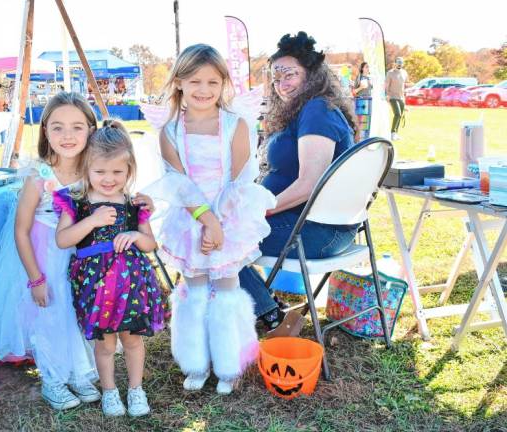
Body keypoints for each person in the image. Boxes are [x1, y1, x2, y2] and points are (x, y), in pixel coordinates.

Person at [144, 44, 276, 395]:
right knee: (195, 290)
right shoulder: (169, 131)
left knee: (227, 290)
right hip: (190, 220)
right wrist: (205, 222)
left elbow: (240, 179)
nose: (204, 90)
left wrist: (219, 222)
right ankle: (196, 362)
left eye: (212, 82)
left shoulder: (236, 126)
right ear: (179, 84)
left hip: (229, 216)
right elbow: (178, 183)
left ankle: (230, 363)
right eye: (195, 81)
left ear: (223, 85)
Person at [0, 92, 102, 411]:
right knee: (49, 315)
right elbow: (20, 229)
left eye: (77, 127)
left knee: (74, 313)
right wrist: (35, 278)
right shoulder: (40, 176)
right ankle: (53, 379)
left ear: (91, 129)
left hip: (77, 256)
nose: (68, 136)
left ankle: (76, 370)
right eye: (57, 127)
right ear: (45, 131)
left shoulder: (94, 171)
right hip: (44, 257)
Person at [238, 31, 360, 337]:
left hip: (317, 232)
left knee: (217, 242)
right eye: (276, 78)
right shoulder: (308, 110)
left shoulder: (317, 110)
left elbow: (308, 184)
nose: (281, 84)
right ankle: (265, 310)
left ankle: (272, 317)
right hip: (311, 226)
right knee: (216, 232)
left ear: (312, 74)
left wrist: (260, 212)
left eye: (289, 74)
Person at [54, 120, 165, 417]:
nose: (108, 179)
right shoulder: (77, 202)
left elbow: (150, 243)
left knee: (132, 339)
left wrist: (136, 236)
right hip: (95, 286)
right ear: (86, 168)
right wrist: (91, 221)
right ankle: (110, 391)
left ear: (130, 171)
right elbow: (63, 240)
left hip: (131, 287)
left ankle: (136, 389)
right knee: (104, 344)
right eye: (100, 171)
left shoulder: (134, 204)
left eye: (118, 172)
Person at [386, 57, 409, 141]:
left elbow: (404, 85)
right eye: (398, 62)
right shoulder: (390, 73)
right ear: (395, 63)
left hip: (401, 98)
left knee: (400, 115)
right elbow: (387, 85)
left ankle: (395, 134)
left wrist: (404, 101)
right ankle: (392, 133)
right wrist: (387, 95)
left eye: (401, 63)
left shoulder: (404, 73)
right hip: (392, 97)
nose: (399, 64)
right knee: (398, 114)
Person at [353, 62, 373, 141]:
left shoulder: (369, 78)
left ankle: (365, 141)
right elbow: (354, 92)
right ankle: (358, 141)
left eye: (368, 67)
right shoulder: (359, 78)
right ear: (362, 69)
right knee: (360, 122)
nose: (368, 68)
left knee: (367, 122)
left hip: (369, 101)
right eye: (366, 67)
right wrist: (361, 87)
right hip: (361, 101)